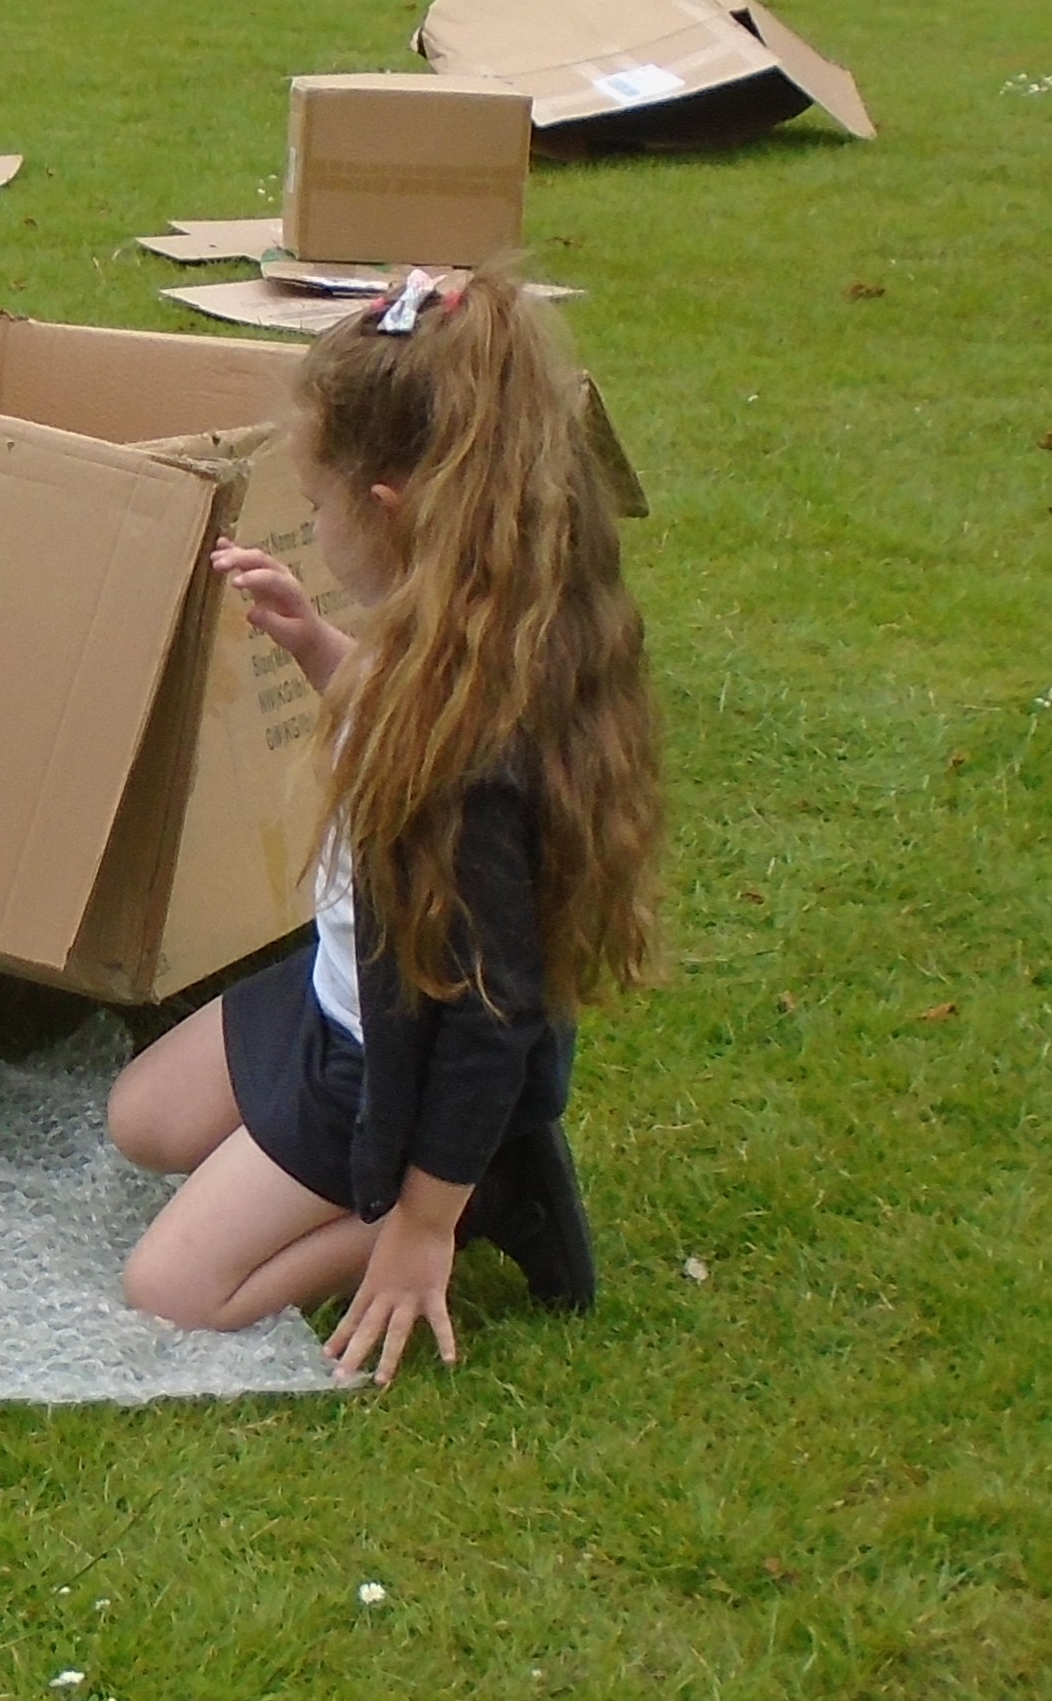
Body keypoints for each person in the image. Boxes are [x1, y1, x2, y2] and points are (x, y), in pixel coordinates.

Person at [106, 268, 662, 1388]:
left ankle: (483, 1188)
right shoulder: (452, 629)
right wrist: (314, 642)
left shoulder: (481, 750)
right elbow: (393, 725)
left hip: (395, 1064)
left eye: (317, 506)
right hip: (345, 990)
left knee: (169, 1295)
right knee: (142, 1120)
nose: (310, 527)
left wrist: (419, 1223)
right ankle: (356, 1178)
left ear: (391, 505)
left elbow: (492, 1022)